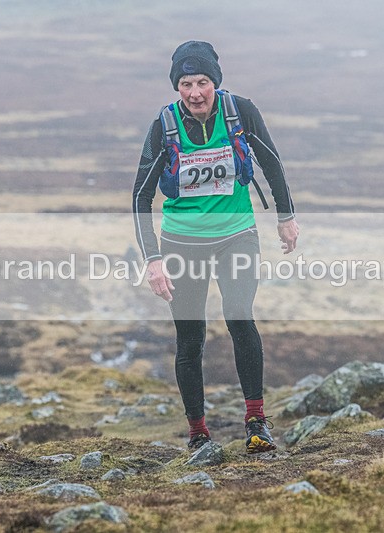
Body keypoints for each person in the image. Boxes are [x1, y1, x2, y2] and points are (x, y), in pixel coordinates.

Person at [132, 41, 298, 453]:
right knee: (190, 338)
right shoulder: (164, 126)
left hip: (236, 235)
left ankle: (256, 422)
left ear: (215, 83)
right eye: (186, 84)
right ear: (177, 87)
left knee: (239, 315)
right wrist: (153, 260)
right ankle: (198, 433)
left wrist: (286, 217)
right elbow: (140, 197)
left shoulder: (240, 112)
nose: (195, 93)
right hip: (181, 243)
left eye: (202, 82)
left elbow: (272, 162)